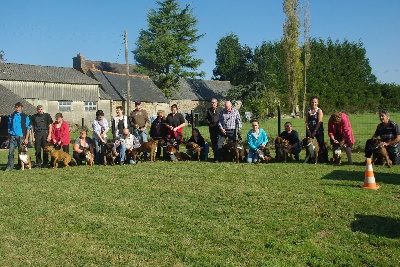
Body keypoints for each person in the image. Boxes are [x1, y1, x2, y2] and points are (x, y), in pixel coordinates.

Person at [5, 102, 31, 171]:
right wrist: (8, 137)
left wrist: (26, 138)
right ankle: (9, 166)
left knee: (21, 152)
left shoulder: (25, 116)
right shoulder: (11, 116)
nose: (17, 109)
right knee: (11, 152)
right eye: (16, 107)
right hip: (12, 136)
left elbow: (28, 128)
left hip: (21, 136)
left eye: (18, 107)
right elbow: (9, 127)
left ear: (21, 108)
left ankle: (21, 166)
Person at [305, 96, 328, 163]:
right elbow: (306, 121)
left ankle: (324, 159)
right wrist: (308, 130)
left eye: (315, 102)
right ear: (310, 102)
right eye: (312, 102)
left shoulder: (319, 111)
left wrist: (315, 131)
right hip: (310, 129)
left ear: (317, 103)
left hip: (318, 130)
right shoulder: (308, 111)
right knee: (308, 144)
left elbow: (319, 121)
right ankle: (309, 159)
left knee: (321, 144)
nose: (314, 103)